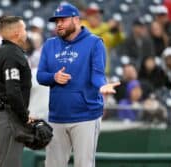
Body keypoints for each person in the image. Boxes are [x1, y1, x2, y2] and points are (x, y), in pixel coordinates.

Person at [37, 3, 119, 167]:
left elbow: (97, 74)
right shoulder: (50, 44)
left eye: (63, 20)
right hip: (57, 115)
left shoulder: (94, 43)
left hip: (85, 115)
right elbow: (40, 76)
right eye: (56, 21)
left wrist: (102, 86)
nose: (59, 24)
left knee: (84, 164)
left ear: (76, 19)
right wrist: (54, 77)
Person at [0, 16, 32, 167]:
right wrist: (24, 116)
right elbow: (13, 90)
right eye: (24, 29)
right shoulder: (13, 54)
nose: (26, 33)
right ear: (17, 33)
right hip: (9, 118)